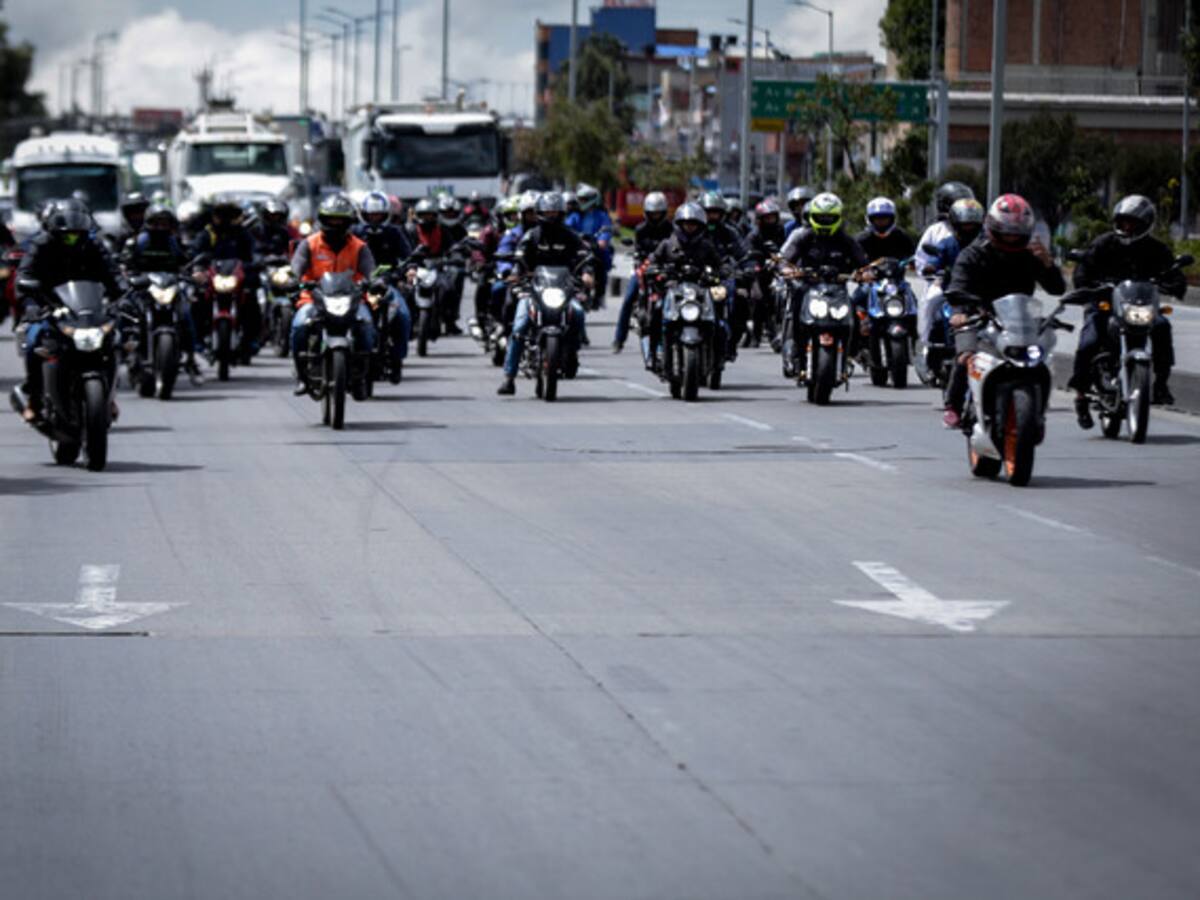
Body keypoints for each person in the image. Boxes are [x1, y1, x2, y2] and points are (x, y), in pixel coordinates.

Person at [942, 193, 1066, 428]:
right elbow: (958, 286)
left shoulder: (1031, 256)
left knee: (1040, 361)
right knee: (966, 356)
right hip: (977, 317)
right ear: (993, 227)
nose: (1011, 238)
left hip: (1018, 321)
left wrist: (1048, 264)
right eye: (1006, 231)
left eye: (1016, 232)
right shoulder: (973, 254)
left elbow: (1056, 288)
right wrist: (960, 312)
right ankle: (953, 405)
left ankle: (1037, 411)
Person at [1069, 194, 1185, 421]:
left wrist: (1173, 283)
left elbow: (1174, 273)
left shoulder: (1156, 249)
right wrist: (1087, 284)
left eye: (1132, 223)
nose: (1127, 226)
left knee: (1162, 326)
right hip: (1105, 305)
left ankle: (1161, 383)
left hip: (1139, 307)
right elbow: (1084, 269)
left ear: (1145, 225)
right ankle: (1081, 394)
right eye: (1123, 221)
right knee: (1089, 341)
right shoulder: (1104, 244)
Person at [12, 204, 123, 423]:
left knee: (114, 340)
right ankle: (34, 399)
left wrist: (124, 295)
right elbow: (24, 275)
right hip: (48, 307)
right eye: (67, 236)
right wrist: (32, 305)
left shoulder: (94, 245)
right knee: (35, 342)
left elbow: (113, 274)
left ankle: (108, 398)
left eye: (77, 235)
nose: (72, 240)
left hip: (87, 308)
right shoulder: (40, 245)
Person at [497, 192, 591, 395]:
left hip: (563, 290)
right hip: (535, 291)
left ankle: (572, 353)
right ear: (540, 213)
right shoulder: (532, 236)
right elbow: (520, 256)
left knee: (579, 314)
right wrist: (515, 274)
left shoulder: (569, 235)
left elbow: (584, 255)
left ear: (562, 213)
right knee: (520, 326)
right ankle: (509, 377)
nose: (551, 216)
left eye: (555, 212)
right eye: (547, 212)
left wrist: (587, 273)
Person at [289, 193, 377, 395]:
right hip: (314, 298)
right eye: (331, 219)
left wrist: (376, 281)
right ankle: (302, 376)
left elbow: (370, 270)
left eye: (340, 219)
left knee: (366, 327)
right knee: (299, 326)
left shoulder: (359, 247)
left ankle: (362, 376)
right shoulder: (309, 244)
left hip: (352, 300)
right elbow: (296, 267)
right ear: (323, 220)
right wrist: (293, 280)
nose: (335, 224)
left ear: (348, 222)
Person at [776, 192, 871, 367]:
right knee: (796, 306)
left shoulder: (846, 240)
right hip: (808, 287)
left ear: (838, 218)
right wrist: (786, 269)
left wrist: (866, 273)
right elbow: (785, 259)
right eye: (821, 217)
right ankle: (796, 348)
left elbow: (863, 263)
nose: (825, 221)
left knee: (854, 312)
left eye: (830, 217)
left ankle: (854, 351)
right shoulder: (803, 236)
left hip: (837, 290)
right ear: (812, 217)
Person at [645, 201, 731, 361]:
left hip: (700, 290)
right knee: (656, 311)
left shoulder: (706, 246)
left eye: (694, 224)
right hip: (673, 289)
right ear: (679, 224)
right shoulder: (667, 245)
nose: (690, 227)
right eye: (686, 224)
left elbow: (722, 263)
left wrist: (724, 271)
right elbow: (652, 261)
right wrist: (655, 270)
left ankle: (720, 355)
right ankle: (653, 352)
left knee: (719, 317)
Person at [354, 191, 414, 382]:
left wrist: (410, 269)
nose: (374, 219)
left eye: (378, 215)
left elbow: (407, 256)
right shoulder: (354, 234)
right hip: (358, 286)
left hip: (387, 285)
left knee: (403, 316)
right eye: (371, 215)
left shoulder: (394, 232)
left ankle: (397, 360)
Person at [190, 193, 260, 353]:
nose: (225, 218)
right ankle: (198, 339)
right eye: (221, 214)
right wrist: (197, 268)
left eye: (229, 214)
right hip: (211, 277)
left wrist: (256, 263)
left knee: (251, 299)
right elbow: (195, 254)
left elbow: (253, 253)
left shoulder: (242, 234)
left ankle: (251, 339)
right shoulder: (206, 234)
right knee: (197, 301)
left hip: (237, 276)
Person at [613, 191, 672, 355]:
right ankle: (619, 339)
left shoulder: (671, 229)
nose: (655, 216)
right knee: (629, 297)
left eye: (658, 213)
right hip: (644, 269)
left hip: (665, 269)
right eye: (652, 213)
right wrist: (641, 265)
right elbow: (638, 250)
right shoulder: (640, 229)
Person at [738, 198, 788, 346]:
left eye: (772, 217)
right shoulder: (754, 235)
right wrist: (754, 266)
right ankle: (757, 333)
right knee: (758, 298)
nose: (770, 220)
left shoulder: (782, 232)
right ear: (760, 219)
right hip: (759, 273)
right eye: (767, 218)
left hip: (779, 271)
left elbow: (789, 249)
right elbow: (746, 253)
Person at [568, 183, 614, 309]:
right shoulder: (575, 216)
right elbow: (567, 228)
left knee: (603, 262)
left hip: (595, 247)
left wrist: (602, 240)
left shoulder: (601, 215)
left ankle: (600, 294)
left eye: (584, 200)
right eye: (580, 199)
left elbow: (607, 229)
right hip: (578, 247)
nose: (581, 202)